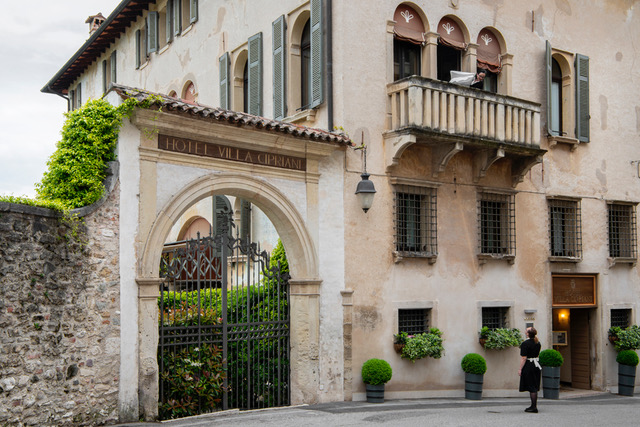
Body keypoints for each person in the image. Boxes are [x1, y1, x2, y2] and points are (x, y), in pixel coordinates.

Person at [519, 327, 542, 413]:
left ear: (528, 333)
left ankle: (533, 407)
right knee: (534, 385)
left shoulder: (525, 343)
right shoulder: (538, 343)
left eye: (526, 330)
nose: (525, 331)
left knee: (531, 386)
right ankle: (533, 405)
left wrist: (520, 369)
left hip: (529, 365)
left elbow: (524, 358)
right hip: (536, 364)